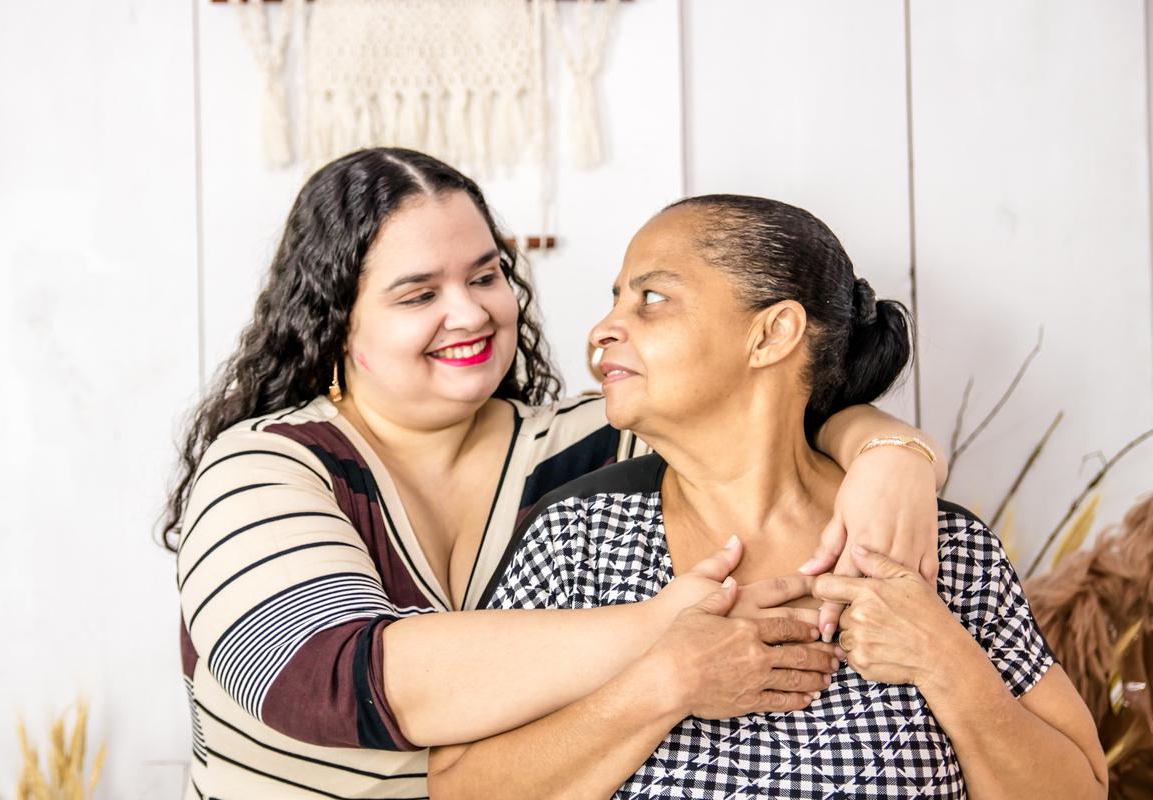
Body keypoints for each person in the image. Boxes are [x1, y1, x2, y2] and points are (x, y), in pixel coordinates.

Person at [167, 151, 950, 798]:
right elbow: (335, 679)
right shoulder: (263, 468)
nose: (471, 313)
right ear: (334, 321)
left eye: (485, 276)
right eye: (418, 294)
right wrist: (660, 638)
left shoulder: (592, 439)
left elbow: (777, 410)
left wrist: (892, 457)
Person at [428, 195, 1108, 800]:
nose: (602, 329)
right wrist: (665, 685)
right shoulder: (578, 539)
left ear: (772, 334)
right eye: (614, 301)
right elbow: (458, 788)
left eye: (651, 299)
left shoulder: (936, 547)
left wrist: (946, 662)